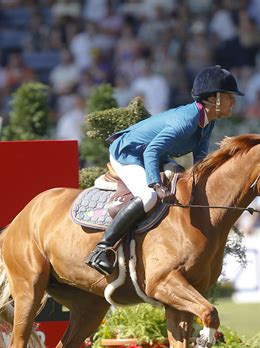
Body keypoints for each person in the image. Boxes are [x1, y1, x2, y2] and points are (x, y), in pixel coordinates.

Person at [85, 65, 244, 275]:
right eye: (228, 97)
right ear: (213, 98)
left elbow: (199, 161)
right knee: (149, 196)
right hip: (129, 153)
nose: (233, 102)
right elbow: (151, 151)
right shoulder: (186, 122)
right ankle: (103, 249)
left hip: (155, 155)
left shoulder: (208, 122)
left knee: (181, 177)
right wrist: (157, 184)